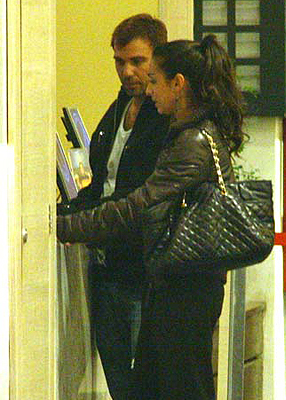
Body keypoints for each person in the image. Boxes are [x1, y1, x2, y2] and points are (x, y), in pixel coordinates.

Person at [58, 35, 244, 399]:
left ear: (178, 84)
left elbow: (138, 205)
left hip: (186, 289)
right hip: (179, 283)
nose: (149, 90)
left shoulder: (192, 142)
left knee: (182, 387)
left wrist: (67, 226)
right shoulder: (190, 134)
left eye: (155, 80)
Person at [58, 14, 170, 399]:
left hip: (142, 271)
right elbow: (102, 182)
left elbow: (139, 198)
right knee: (119, 383)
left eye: (137, 61)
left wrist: (77, 223)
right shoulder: (118, 109)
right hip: (107, 268)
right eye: (119, 62)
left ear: (158, 59)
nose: (126, 72)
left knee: (145, 386)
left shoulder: (164, 117)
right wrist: (65, 213)